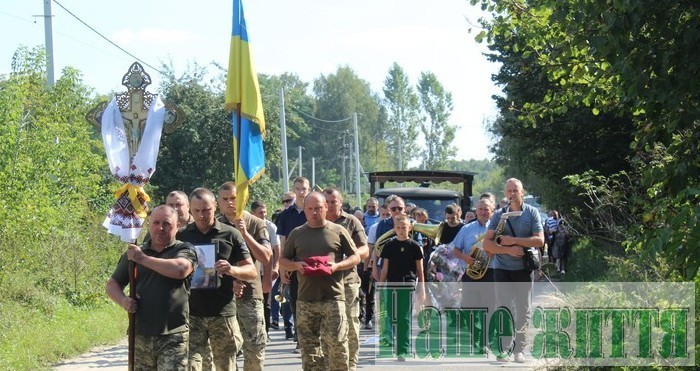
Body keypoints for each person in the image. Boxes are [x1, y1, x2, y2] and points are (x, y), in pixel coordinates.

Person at [105, 205, 197, 370]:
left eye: (167, 224)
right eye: (156, 223)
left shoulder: (183, 249)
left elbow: (180, 269)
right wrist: (123, 301)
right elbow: (113, 284)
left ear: (178, 226)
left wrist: (142, 259)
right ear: (148, 224)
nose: (160, 228)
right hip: (140, 334)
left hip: (173, 334)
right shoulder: (135, 253)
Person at [177, 188, 258, 371]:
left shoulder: (230, 234)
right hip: (191, 313)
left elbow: (251, 270)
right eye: (196, 211)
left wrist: (232, 270)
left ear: (215, 206)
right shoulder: (181, 236)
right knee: (191, 365)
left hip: (222, 313)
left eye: (206, 210)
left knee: (225, 366)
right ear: (190, 209)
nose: (202, 215)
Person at [279, 192, 361, 370]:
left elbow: (355, 257)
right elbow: (283, 260)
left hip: (333, 298)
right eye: (310, 209)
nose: (314, 212)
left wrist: (336, 266)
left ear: (325, 207)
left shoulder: (338, 231)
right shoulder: (297, 233)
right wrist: (297, 266)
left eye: (318, 208)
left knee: (337, 348)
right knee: (310, 352)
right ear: (305, 210)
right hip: (305, 300)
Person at [483, 179, 544, 363]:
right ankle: (504, 347)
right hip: (501, 268)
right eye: (509, 190)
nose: (512, 194)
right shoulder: (499, 215)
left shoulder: (531, 213)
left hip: (523, 269)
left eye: (515, 190)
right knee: (504, 307)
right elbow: (487, 244)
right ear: (505, 192)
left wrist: (515, 241)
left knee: (523, 309)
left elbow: (540, 240)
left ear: (522, 192)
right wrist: (507, 249)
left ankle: (520, 350)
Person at [217, 182, 271, 371]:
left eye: (234, 198)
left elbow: (265, 256)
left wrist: (245, 234)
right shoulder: (215, 225)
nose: (230, 203)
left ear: (242, 199)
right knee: (226, 349)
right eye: (225, 199)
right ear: (218, 202)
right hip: (221, 295)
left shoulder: (256, 222)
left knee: (255, 347)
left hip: (250, 294)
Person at [323, 188, 368, 371]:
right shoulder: (315, 221)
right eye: (327, 202)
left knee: (350, 326)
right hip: (321, 284)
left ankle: (350, 366)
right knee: (325, 328)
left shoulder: (351, 222)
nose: (330, 205)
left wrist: (349, 259)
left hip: (347, 282)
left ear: (340, 203)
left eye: (334, 201)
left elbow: (365, 249)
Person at [378, 214, 425, 361]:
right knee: (392, 317)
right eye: (398, 227)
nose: (401, 230)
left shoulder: (415, 246)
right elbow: (385, 268)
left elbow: (420, 270)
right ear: (394, 229)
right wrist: (380, 285)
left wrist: (422, 287)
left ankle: (402, 350)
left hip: (407, 284)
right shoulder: (390, 245)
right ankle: (396, 342)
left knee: (403, 318)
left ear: (409, 228)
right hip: (392, 284)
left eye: (404, 227)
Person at [276, 177, 311, 345]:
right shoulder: (285, 215)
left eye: (304, 188)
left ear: (309, 189)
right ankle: (299, 336)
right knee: (295, 300)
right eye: (297, 188)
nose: (301, 192)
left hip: (312, 261)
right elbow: (282, 242)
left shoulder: (313, 211)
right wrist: (282, 266)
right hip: (292, 262)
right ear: (294, 190)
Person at [251, 200, 285, 333]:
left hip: (267, 269)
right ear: (253, 212)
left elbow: (277, 249)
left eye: (265, 212)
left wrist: (275, 268)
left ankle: (265, 330)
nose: (263, 215)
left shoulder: (271, 227)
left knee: (267, 301)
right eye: (260, 212)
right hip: (252, 268)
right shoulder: (249, 225)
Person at [361, 203, 390, 330]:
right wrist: (366, 267)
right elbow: (370, 248)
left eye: (387, 215)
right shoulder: (374, 228)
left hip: (394, 267)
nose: (385, 217)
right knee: (378, 296)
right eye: (383, 215)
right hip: (378, 266)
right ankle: (378, 321)